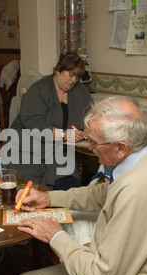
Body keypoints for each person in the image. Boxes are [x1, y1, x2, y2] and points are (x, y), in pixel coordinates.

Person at [0, 96, 147, 275]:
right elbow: (100, 194)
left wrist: (56, 236)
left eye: (94, 143)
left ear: (120, 148)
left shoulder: (141, 187)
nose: (91, 149)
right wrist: (48, 198)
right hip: (124, 273)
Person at [5, 53, 93, 190]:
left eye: (77, 77)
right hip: (27, 149)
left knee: (70, 189)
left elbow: (90, 116)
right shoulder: (38, 90)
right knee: (30, 191)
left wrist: (87, 131)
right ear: (58, 70)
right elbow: (34, 126)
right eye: (70, 74)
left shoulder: (80, 92)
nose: (73, 80)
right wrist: (64, 134)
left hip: (59, 152)